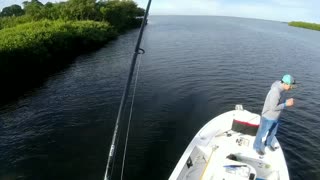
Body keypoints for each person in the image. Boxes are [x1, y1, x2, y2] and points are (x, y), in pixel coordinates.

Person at [253, 74, 296, 155]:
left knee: (273, 132)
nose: (291, 88)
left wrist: (286, 101)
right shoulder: (276, 91)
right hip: (267, 116)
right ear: (285, 83)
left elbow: (278, 101)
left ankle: (267, 144)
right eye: (290, 86)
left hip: (276, 116)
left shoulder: (283, 89)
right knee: (262, 133)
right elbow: (273, 107)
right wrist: (286, 104)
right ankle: (256, 146)